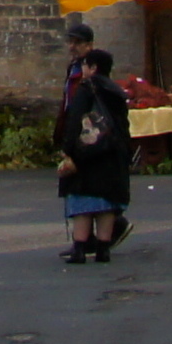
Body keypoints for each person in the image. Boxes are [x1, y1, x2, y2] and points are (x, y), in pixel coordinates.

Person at [56, 47, 132, 263]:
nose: (82, 69)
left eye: (85, 65)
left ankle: (79, 248)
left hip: (88, 151)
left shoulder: (87, 88)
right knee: (106, 201)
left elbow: (74, 120)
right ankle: (103, 249)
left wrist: (68, 149)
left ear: (93, 67)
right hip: (113, 151)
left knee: (83, 201)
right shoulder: (117, 92)